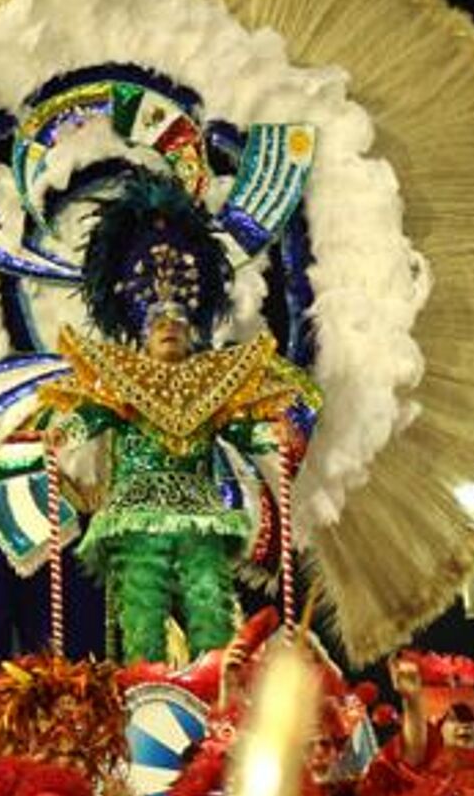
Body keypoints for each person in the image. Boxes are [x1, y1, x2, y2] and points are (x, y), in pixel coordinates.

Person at [41, 173, 319, 661]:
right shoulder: (117, 378)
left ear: (194, 333)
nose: (169, 328)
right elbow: (81, 424)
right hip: (134, 515)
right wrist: (57, 441)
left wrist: (273, 433)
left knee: (211, 608)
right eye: (158, 323)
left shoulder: (214, 380)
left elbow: (245, 429)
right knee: (141, 620)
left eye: (178, 323)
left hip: (202, 515)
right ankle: (140, 697)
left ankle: (218, 698)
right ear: (142, 334)